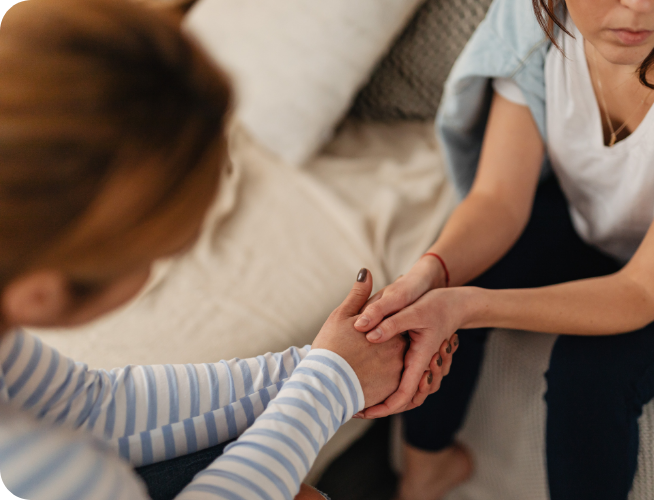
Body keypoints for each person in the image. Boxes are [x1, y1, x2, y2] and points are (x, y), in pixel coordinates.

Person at [0, 1, 458, 499]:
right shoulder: (35, 464)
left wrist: (319, 364)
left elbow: (90, 406)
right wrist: (329, 385)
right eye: (153, 255)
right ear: (39, 297)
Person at [349, 0, 654, 499]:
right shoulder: (534, 21)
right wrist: (432, 274)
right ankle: (425, 471)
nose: (636, 6)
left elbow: (642, 290)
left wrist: (467, 307)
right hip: (595, 223)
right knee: (445, 277)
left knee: (587, 377)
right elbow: (498, 200)